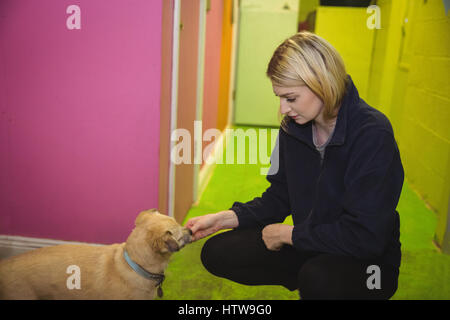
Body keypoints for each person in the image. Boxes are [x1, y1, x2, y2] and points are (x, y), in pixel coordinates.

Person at [185, 31, 404, 300]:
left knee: (319, 278)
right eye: (279, 97)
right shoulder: (293, 128)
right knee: (217, 252)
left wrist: (291, 235)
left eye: (290, 98)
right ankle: (310, 276)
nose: (283, 109)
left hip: (367, 260)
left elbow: (366, 236)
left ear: (321, 83)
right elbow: (278, 198)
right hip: (310, 242)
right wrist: (225, 219)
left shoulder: (373, 133)